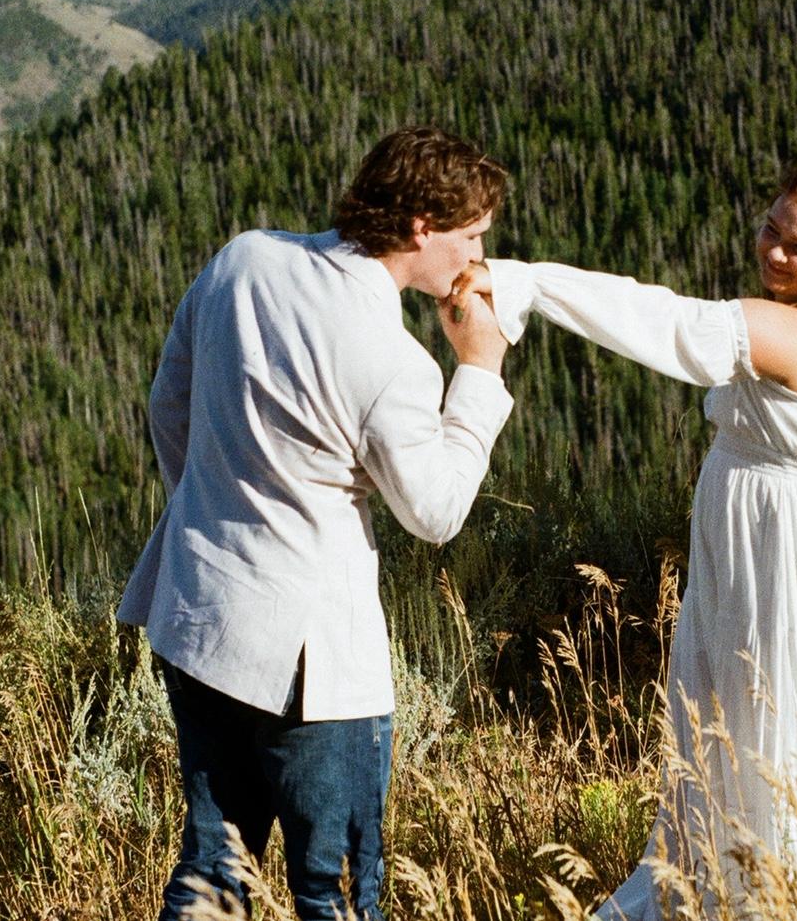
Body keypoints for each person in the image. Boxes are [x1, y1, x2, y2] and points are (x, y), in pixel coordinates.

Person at [453, 162, 797, 916]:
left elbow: (666, 323)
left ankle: (762, 897)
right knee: (765, 740)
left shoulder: (794, 330)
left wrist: (528, 283)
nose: (774, 250)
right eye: (771, 228)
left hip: (790, 570)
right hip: (786, 556)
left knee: (766, 737)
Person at [117, 125, 514, 921]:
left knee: (211, 872)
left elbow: (168, 402)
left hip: (199, 615)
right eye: (471, 236)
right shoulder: (394, 361)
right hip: (314, 664)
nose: (479, 258)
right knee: (332, 894)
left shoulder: (244, 260)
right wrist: (479, 370)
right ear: (420, 228)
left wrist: (211, 503)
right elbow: (435, 512)